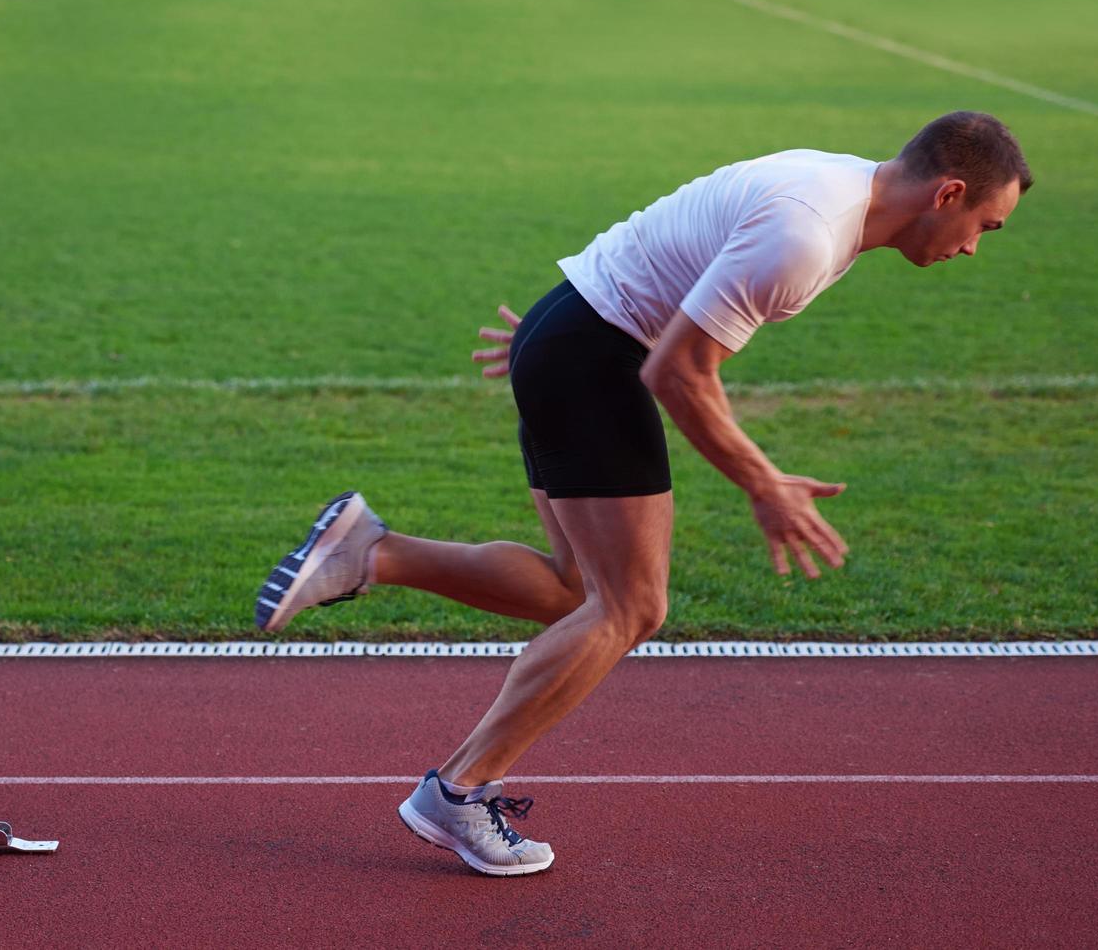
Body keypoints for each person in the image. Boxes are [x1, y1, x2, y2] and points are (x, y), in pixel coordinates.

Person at [254, 111, 1032, 876]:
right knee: (631, 607)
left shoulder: (830, 182)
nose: (972, 248)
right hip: (594, 355)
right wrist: (761, 483)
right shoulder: (808, 232)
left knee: (576, 593)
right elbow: (676, 373)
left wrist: (551, 334)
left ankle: (372, 554)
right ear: (948, 193)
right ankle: (456, 791)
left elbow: (668, 243)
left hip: (572, 332)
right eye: (984, 227)